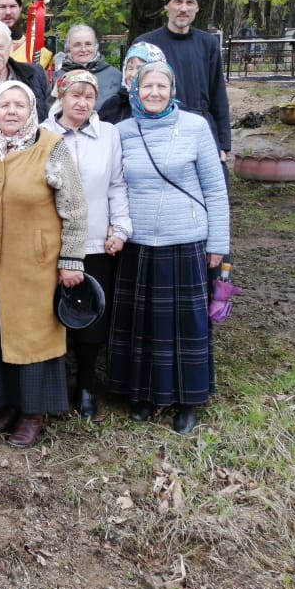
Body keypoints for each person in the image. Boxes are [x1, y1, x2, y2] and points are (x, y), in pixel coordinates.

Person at [0, 80, 88, 448]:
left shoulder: (52, 147)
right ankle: (4, 403)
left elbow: (75, 209)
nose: (11, 112)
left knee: (31, 336)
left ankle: (33, 413)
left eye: (19, 105)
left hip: (35, 265)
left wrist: (71, 259)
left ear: (31, 110)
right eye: (4, 105)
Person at [107, 62, 230, 434]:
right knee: (142, 326)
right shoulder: (122, 131)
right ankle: (142, 395)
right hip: (138, 242)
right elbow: (114, 185)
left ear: (172, 89)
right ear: (136, 91)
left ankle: (188, 400)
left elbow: (215, 188)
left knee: (185, 327)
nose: (155, 93)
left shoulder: (195, 127)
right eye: (148, 86)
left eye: (162, 86)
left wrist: (219, 242)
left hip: (186, 239)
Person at [41, 70, 132, 421]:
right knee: (51, 315)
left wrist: (120, 228)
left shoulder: (107, 135)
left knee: (90, 316)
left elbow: (117, 184)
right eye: (74, 95)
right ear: (60, 97)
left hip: (95, 240)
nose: (81, 102)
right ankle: (53, 385)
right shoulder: (43, 133)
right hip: (51, 242)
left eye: (89, 96)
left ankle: (86, 387)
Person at [130, 0, 230, 160]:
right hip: (158, 128)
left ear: (197, 8)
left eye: (190, 3)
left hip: (202, 127)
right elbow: (132, 92)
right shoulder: (146, 43)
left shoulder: (208, 44)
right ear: (167, 6)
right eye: (178, 2)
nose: (183, 8)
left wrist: (223, 143)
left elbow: (218, 94)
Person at [96, 41, 166, 125]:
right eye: (130, 68)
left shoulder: (166, 105)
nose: (133, 74)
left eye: (140, 68)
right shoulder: (114, 105)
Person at [0, 0, 53, 72]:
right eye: (2, 7)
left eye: (13, 6)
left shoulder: (40, 52)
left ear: (20, 9)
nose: (8, 12)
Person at [56, 24, 120, 107]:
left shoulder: (115, 75)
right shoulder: (58, 77)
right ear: (69, 48)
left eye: (88, 44)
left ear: (95, 46)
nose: (83, 49)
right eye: (77, 45)